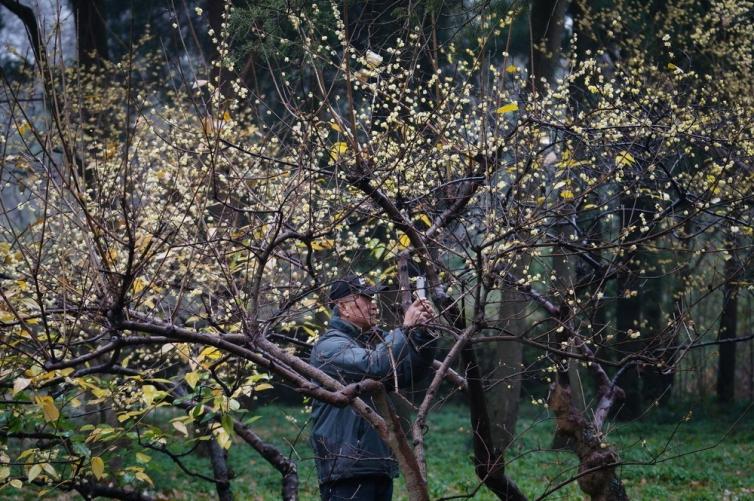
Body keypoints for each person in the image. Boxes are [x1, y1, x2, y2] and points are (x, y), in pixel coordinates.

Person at [309, 274, 436, 501]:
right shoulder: (329, 347)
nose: (373, 304)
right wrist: (405, 328)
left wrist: (422, 333)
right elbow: (375, 365)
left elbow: (408, 374)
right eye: (364, 298)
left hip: (376, 464)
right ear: (343, 308)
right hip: (347, 469)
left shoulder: (371, 343)